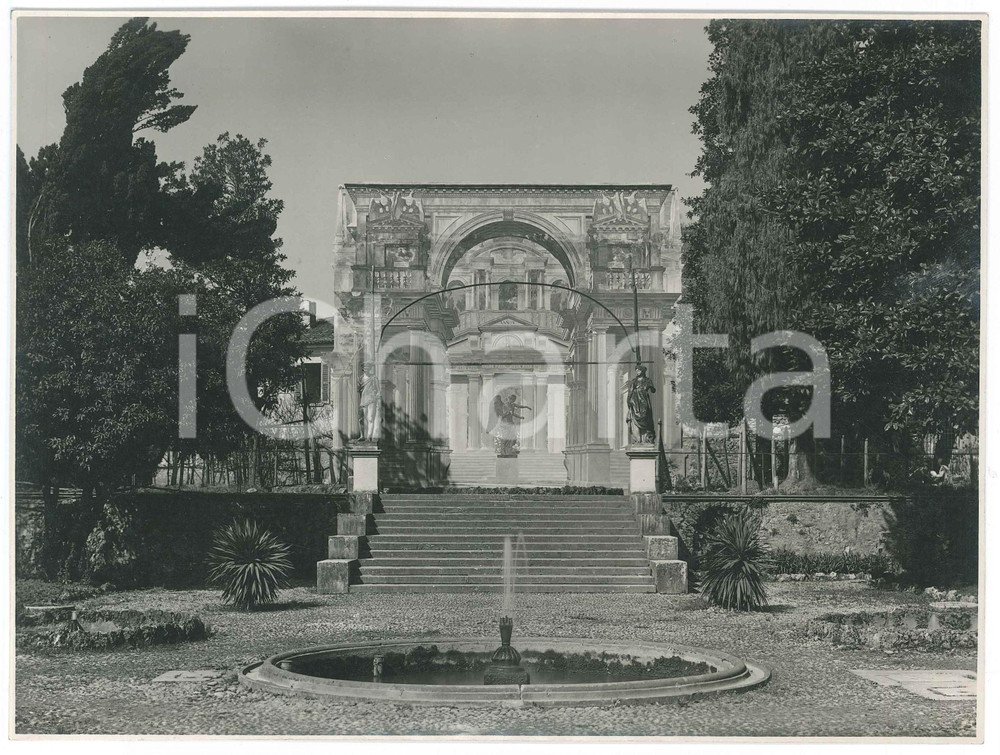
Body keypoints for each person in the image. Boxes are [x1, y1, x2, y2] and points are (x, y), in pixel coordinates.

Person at [626, 364, 656, 445]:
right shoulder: (634, 381)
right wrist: (629, 402)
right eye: (636, 371)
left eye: (639, 370)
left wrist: (650, 387)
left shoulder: (648, 380)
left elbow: (653, 390)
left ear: (643, 371)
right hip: (635, 402)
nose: (637, 372)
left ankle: (646, 439)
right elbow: (630, 392)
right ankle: (638, 439)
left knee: (646, 418)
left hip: (644, 402)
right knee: (634, 419)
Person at [358, 363, 380, 441]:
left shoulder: (374, 378)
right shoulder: (360, 378)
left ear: (370, 368)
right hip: (363, 400)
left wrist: (377, 400)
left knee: (370, 418)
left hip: (371, 399)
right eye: (365, 367)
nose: (366, 368)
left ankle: (369, 437)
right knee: (362, 419)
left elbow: (378, 391)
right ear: (363, 368)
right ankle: (362, 436)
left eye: (368, 367)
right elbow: (358, 389)